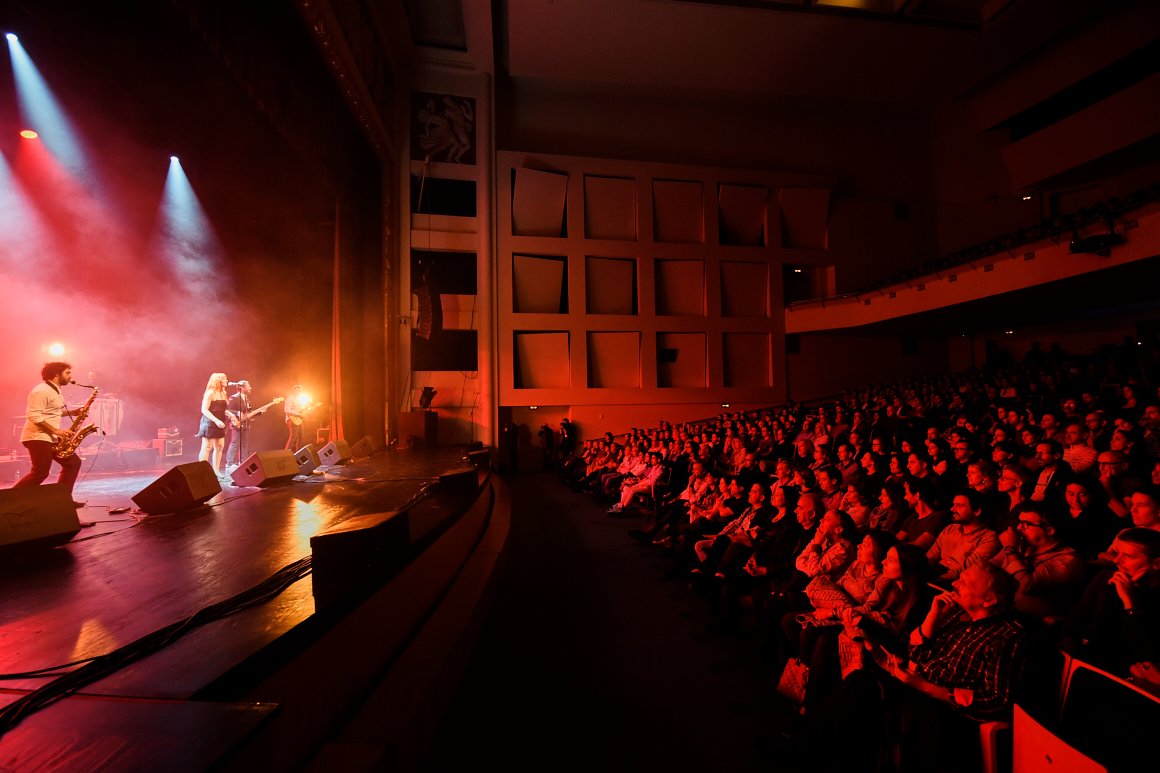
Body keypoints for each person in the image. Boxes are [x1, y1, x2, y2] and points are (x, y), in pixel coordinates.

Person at [13, 361, 85, 507]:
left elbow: (52, 412)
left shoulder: (54, 390)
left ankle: (62, 500)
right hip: (37, 437)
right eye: (67, 373)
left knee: (73, 463)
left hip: (50, 437)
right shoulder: (41, 391)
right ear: (57, 374)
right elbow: (34, 416)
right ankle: (8, 500)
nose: (70, 376)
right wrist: (56, 431)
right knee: (40, 472)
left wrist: (72, 412)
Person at [196, 372, 230, 476]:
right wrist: (216, 420)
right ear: (218, 381)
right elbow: (204, 409)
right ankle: (203, 472)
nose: (226, 380)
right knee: (207, 447)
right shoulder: (210, 393)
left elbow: (222, 409)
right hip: (209, 422)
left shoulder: (223, 392)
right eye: (224, 379)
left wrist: (231, 415)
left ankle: (216, 471)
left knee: (219, 446)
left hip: (219, 422)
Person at [226, 380, 254, 468]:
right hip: (237, 424)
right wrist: (237, 413)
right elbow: (227, 409)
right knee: (235, 443)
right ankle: (229, 463)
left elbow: (249, 411)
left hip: (246, 424)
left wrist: (260, 412)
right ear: (241, 387)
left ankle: (243, 462)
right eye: (248, 386)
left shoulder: (246, 399)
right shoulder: (234, 397)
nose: (250, 388)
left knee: (244, 444)